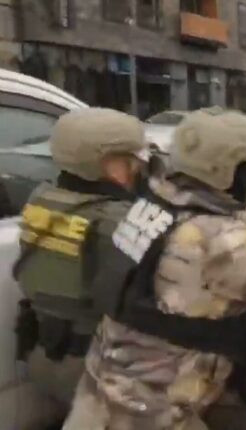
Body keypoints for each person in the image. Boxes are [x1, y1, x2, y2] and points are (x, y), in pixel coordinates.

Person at [61, 109, 246, 430]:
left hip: (99, 397)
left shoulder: (151, 204)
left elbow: (221, 219)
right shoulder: (224, 243)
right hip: (153, 415)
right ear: (230, 171)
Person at [12, 108, 149, 430]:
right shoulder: (119, 221)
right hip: (98, 369)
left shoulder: (43, 197)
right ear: (104, 163)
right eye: (129, 158)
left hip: (44, 354)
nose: (138, 166)